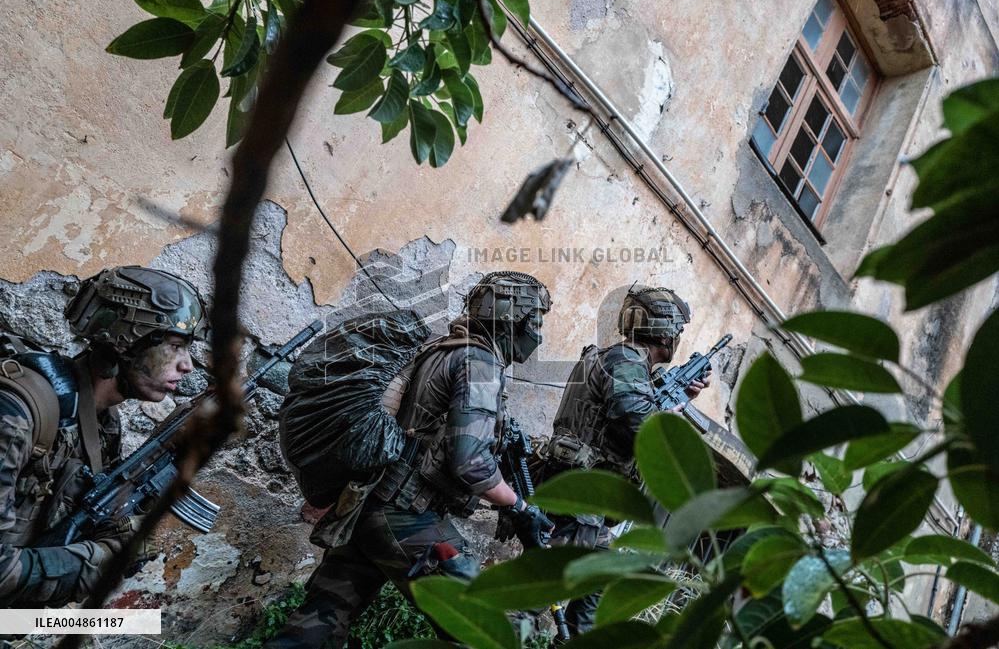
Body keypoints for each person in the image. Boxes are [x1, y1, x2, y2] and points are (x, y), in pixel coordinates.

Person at [266, 271, 555, 648]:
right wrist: (520, 507)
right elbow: (469, 461)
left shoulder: (441, 350)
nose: (538, 332)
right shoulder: (480, 364)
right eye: (536, 320)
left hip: (370, 506)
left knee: (320, 620)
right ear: (514, 320)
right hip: (407, 515)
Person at [0, 266, 207, 606]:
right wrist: (103, 560)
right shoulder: (18, 414)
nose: (187, 366)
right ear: (126, 341)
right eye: (174, 346)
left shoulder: (101, 423)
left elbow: (104, 519)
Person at [536, 285, 710, 636]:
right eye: (677, 330)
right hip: (580, 505)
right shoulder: (627, 362)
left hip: (592, 510)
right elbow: (639, 425)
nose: (677, 338)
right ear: (665, 331)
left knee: (590, 611)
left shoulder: (621, 362)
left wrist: (680, 393)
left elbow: (625, 409)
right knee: (535, 598)